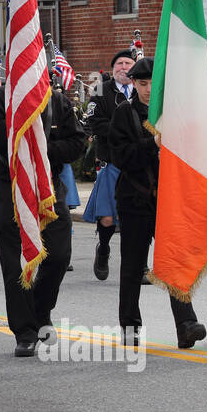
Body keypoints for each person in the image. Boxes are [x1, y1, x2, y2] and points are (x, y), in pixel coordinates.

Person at [0, 69, 86, 355]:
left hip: (48, 186)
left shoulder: (57, 101)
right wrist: (17, 125)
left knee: (59, 255)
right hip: (9, 186)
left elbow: (77, 142)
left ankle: (41, 309)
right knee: (16, 263)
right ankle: (24, 331)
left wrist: (41, 150)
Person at [107, 57, 207, 349]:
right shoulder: (124, 114)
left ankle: (186, 323)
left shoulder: (173, 113)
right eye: (142, 83)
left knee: (175, 261)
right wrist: (152, 145)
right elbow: (120, 156)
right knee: (133, 264)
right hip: (135, 199)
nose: (149, 89)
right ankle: (130, 325)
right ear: (134, 84)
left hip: (170, 199)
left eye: (154, 83)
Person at [83, 50, 137, 281]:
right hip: (112, 160)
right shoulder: (101, 89)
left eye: (128, 63)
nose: (123, 67)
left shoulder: (145, 89)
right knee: (107, 218)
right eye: (119, 63)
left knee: (137, 218)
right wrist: (125, 133)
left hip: (138, 163)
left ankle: (139, 265)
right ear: (113, 68)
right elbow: (95, 122)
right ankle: (103, 249)